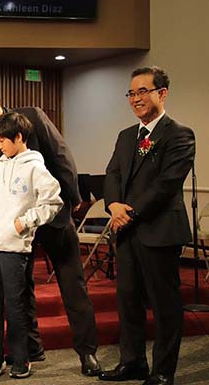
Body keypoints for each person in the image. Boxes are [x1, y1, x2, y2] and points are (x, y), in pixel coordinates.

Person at [0, 82, 101, 376]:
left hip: (52, 218)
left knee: (72, 285)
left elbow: (61, 155)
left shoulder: (31, 117)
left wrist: (72, 198)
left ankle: (87, 353)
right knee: (20, 290)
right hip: (15, 227)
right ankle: (32, 347)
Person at [100, 66, 195, 385]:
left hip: (158, 231)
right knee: (128, 301)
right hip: (126, 232)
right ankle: (132, 363)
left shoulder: (179, 134)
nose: (136, 98)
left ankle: (163, 371)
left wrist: (130, 212)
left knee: (164, 305)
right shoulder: (127, 136)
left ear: (161, 93)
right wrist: (113, 204)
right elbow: (111, 174)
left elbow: (166, 185)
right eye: (132, 93)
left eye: (143, 91)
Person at [0, 112, 63, 379]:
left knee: (15, 305)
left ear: (18, 137)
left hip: (14, 246)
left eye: (2, 141)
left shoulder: (35, 167)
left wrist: (27, 221)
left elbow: (54, 202)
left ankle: (21, 358)